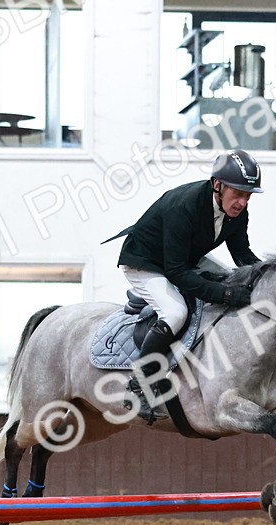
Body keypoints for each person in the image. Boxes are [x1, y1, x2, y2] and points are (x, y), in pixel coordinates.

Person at [111, 148, 264, 422]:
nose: (242, 202)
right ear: (217, 185)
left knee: (227, 277)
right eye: (238, 193)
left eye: (248, 195)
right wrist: (227, 294)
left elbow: (242, 255)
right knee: (175, 312)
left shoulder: (237, 212)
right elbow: (177, 272)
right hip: (144, 262)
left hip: (180, 260)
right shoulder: (184, 206)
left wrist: (269, 277)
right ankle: (139, 385)